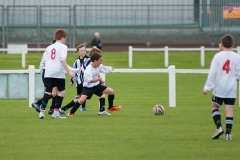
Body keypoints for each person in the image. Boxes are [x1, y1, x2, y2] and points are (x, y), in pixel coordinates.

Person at [202, 34, 240, 140]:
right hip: (231, 88)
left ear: (221, 44)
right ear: (233, 44)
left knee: (215, 106)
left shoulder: (218, 56)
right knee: (229, 110)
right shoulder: (237, 57)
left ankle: (219, 127)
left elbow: (212, 73)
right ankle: (228, 134)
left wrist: (207, 88)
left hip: (220, 87)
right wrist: (237, 78)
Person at [67, 52, 122, 116]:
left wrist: (110, 69)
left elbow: (104, 68)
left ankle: (110, 108)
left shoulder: (99, 66)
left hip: (96, 86)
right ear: (95, 61)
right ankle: (71, 113)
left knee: (111, 91)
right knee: (81, 100)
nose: (101, 62)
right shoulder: (88, 70)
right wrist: (98, 79)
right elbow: (89, 80)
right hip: (88, 87)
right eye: (100, 61)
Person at [39, 29, 75, 119]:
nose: (65, 40)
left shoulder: (49, 47)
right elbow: (62, 59)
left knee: (48, 92)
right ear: (62, 38)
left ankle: (41, 112)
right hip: (57, 72)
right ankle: (55, 112)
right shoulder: (63, 47)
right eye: (65, 38)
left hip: (47, 72)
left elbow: (45, 60)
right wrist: (69, 71)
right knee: (61, 91)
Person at [59, 46, 106, 114]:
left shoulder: (88, 61)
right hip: (85, 83)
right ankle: (102, 111)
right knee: (99, 94)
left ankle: (63, 109)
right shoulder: (90, 62)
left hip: (82, 82)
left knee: (80, 99)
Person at [60, 44, 91, 113]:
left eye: (84, 50)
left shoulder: (89, 60)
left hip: (87, 82)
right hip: (79, 82)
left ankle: (65, 108)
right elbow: (74, 71)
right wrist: (72, 80)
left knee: (82, 97)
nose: (83, 52)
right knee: (82, 97)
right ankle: (65, 109)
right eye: (81, 50)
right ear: (78, 52)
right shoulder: (76, 61)